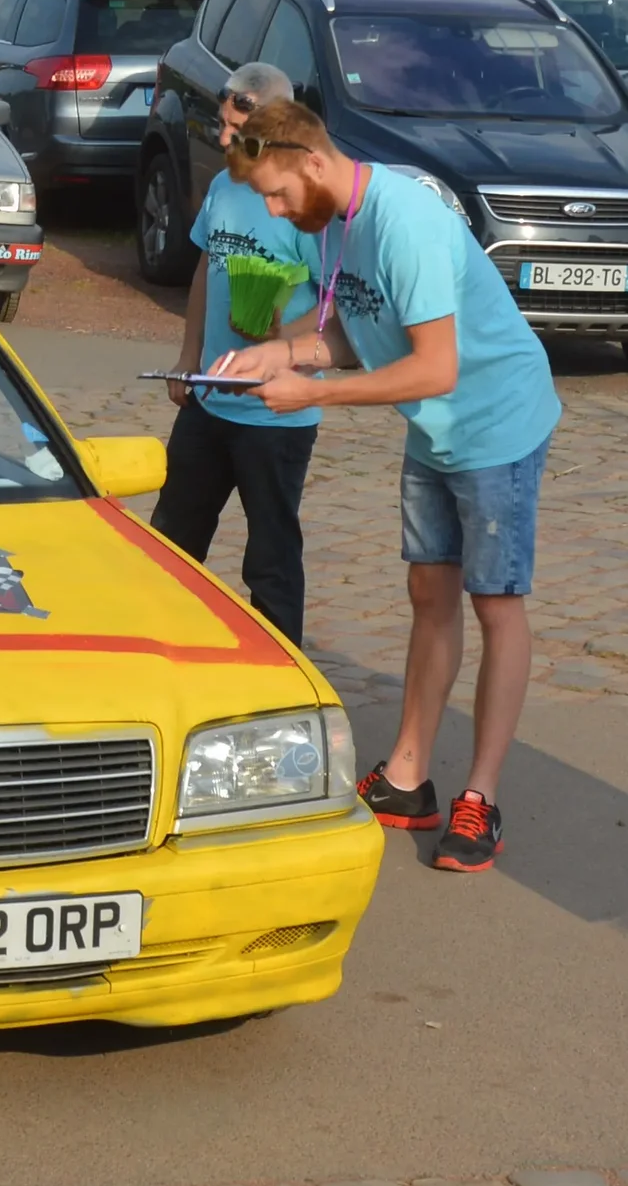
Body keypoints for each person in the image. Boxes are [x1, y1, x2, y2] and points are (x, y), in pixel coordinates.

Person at [217, 98, 563, 874]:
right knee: (427, 592)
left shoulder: (401, 219)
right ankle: (409, 777)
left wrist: (313, 393)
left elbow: (435, 365)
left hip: (496, 420)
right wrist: (286, 352)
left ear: (311, 161)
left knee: (496, 602)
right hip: (436, 427)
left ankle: (481, 795)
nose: (275, 209)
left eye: (277, 192)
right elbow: (354, 327)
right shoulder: (335, 221)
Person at [149, 62, 321, 642]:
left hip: (275, 411)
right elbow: (204, 267)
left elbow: (336, 306)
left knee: (270, 556)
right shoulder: (225, 185)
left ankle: (280, 672)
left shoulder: (306, 203)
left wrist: (281, 338)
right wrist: (188, 355)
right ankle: (159, 649)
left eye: (235, 130)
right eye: (221, 125)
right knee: (170, 539)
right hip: (209, 398)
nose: (223, 140)